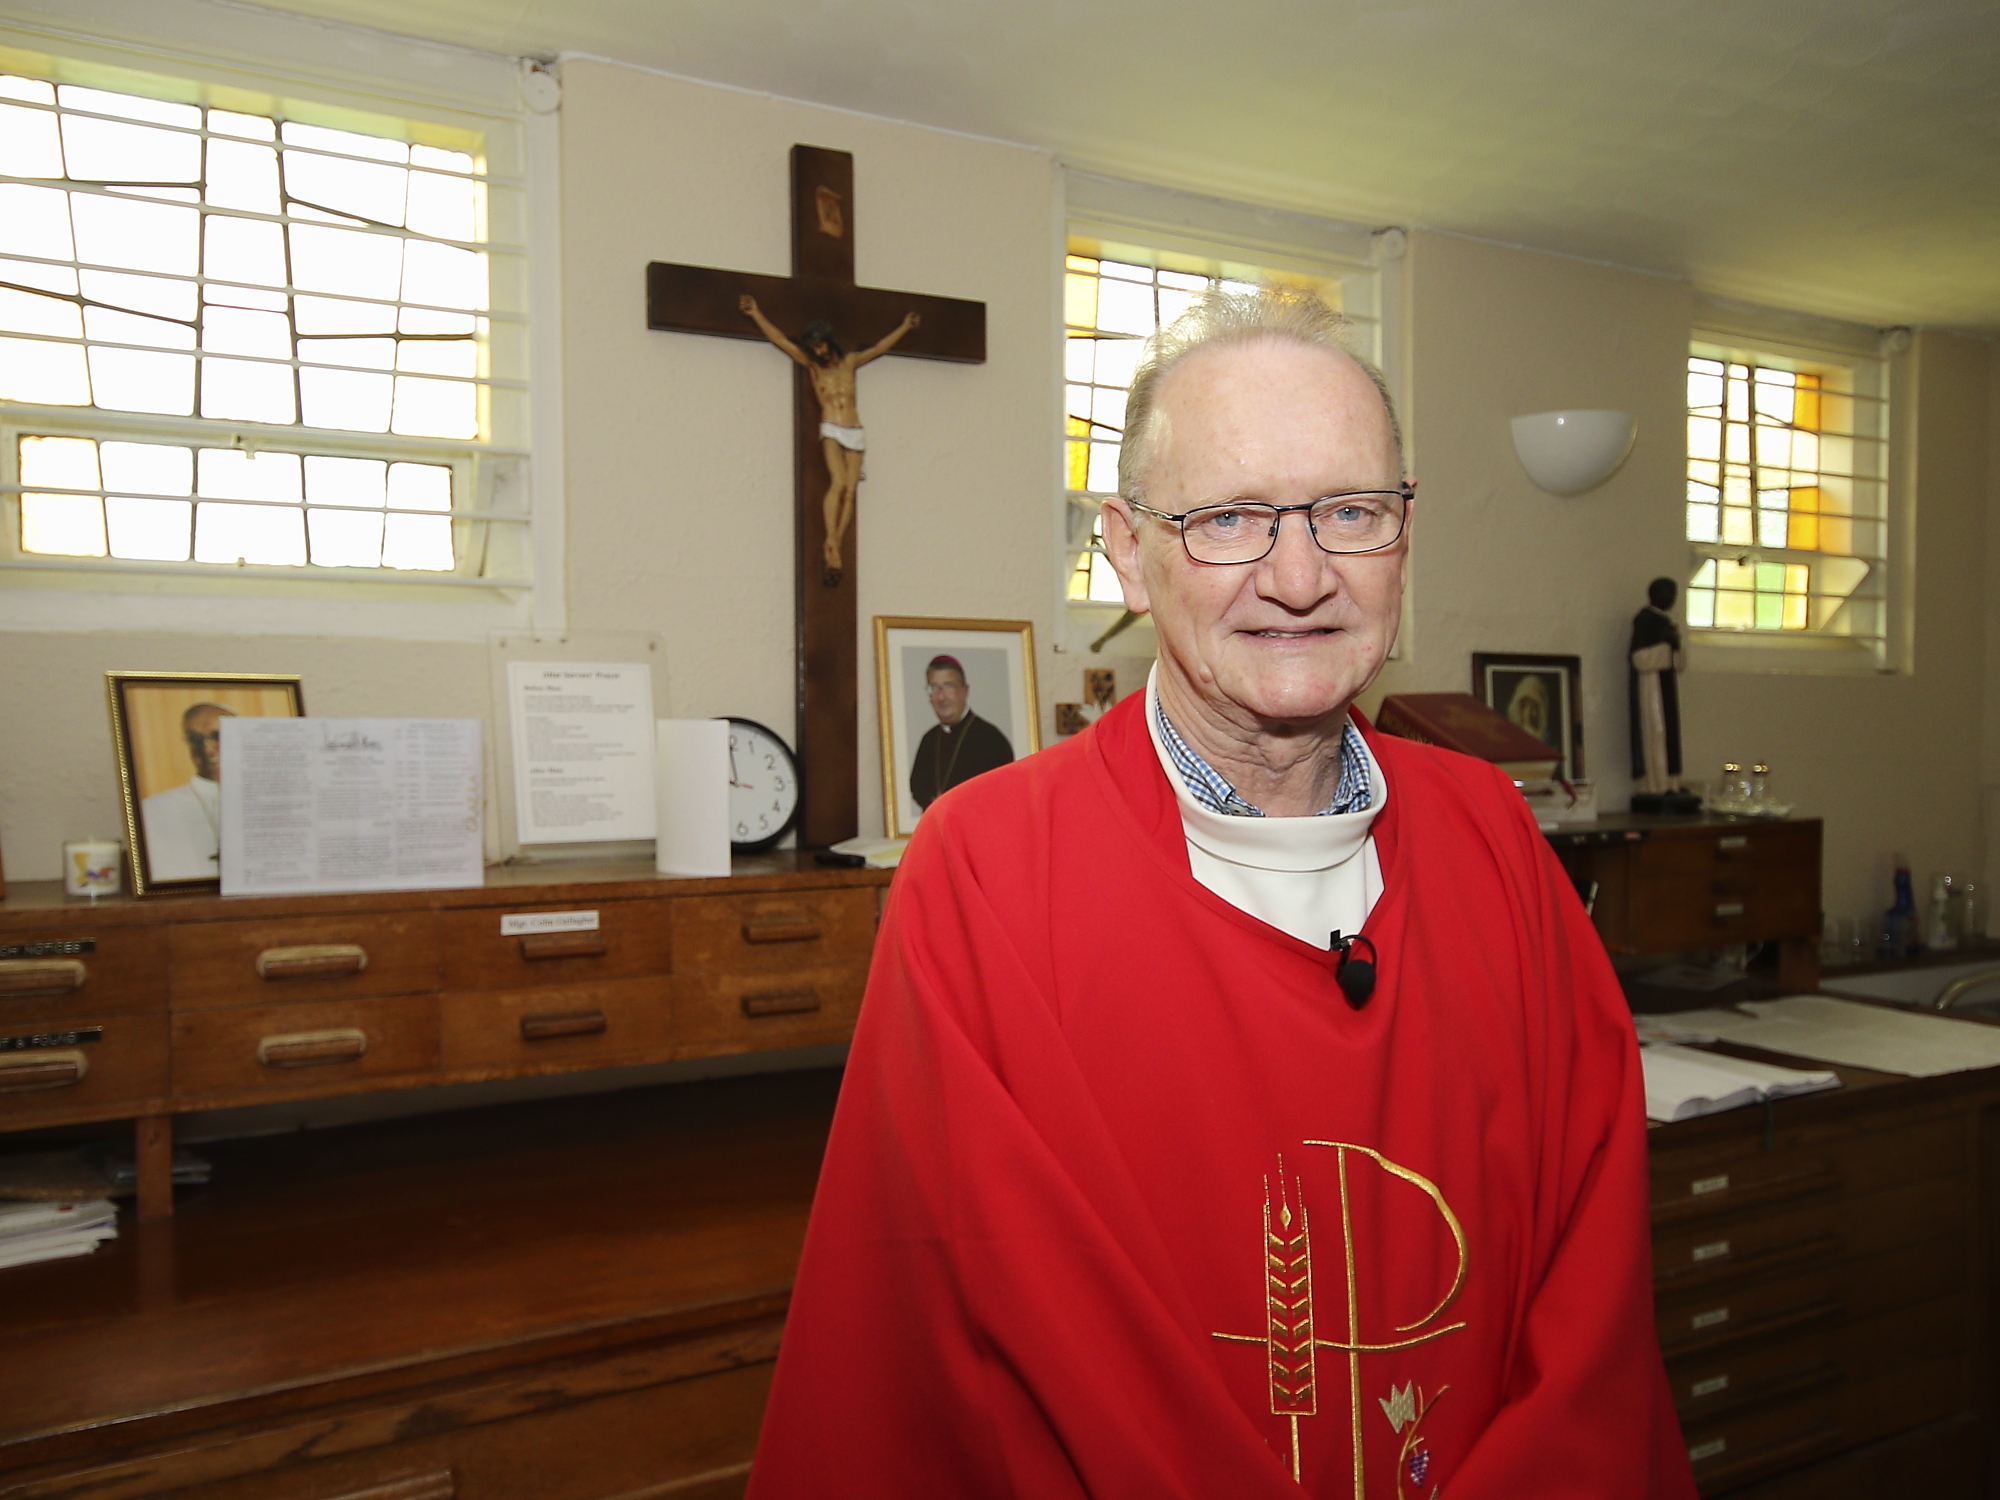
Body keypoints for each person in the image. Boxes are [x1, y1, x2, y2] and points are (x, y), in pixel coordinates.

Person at [747, 287, 1693, 1498]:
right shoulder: (987, 865)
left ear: (1403, 542)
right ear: (1127, 553)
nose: (1297, 577)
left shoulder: (1491, 837)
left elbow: (1590, 1288)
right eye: (1230, 519)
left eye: (1349, 511)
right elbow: (945, 1330)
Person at [738, 294, 920, 586]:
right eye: (813, 347)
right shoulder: (813, 368)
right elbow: (781, 342)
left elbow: (879, 348)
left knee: (850, 490)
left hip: (854, 428)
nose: (818, 351)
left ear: (830, 341)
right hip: (831, 428)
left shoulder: (849, 363)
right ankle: (830, 539)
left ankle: (837, 538)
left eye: (821, 344)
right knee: (837, 482)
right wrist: (756, 314)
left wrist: (905, 327)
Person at [139, 702, 235, 881]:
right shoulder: (150, 811)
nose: (206, 749)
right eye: (195, 739)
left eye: (217, 736)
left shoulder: (276, 802)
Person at [908, 654, 1014, 810]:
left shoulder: (991, 739)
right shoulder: (929, 740)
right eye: (934, 687)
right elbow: (917, 788)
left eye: (948, 686)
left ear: (965, 691)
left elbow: (999, 794)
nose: (941, 697)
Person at [1629, 576, 1686, 793]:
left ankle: (1672, 782)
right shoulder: (1645, 620)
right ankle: (1657, 785)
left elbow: (1679, 661)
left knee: (1669, 732)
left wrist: (1675, 645)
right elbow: (1639, 658)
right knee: (1657, 731)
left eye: (1673, 594)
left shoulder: (1666, 621)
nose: (1671, 599)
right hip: (1651, 685)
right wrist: (1665, 647)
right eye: (1667, 593)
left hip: (1666, 683)